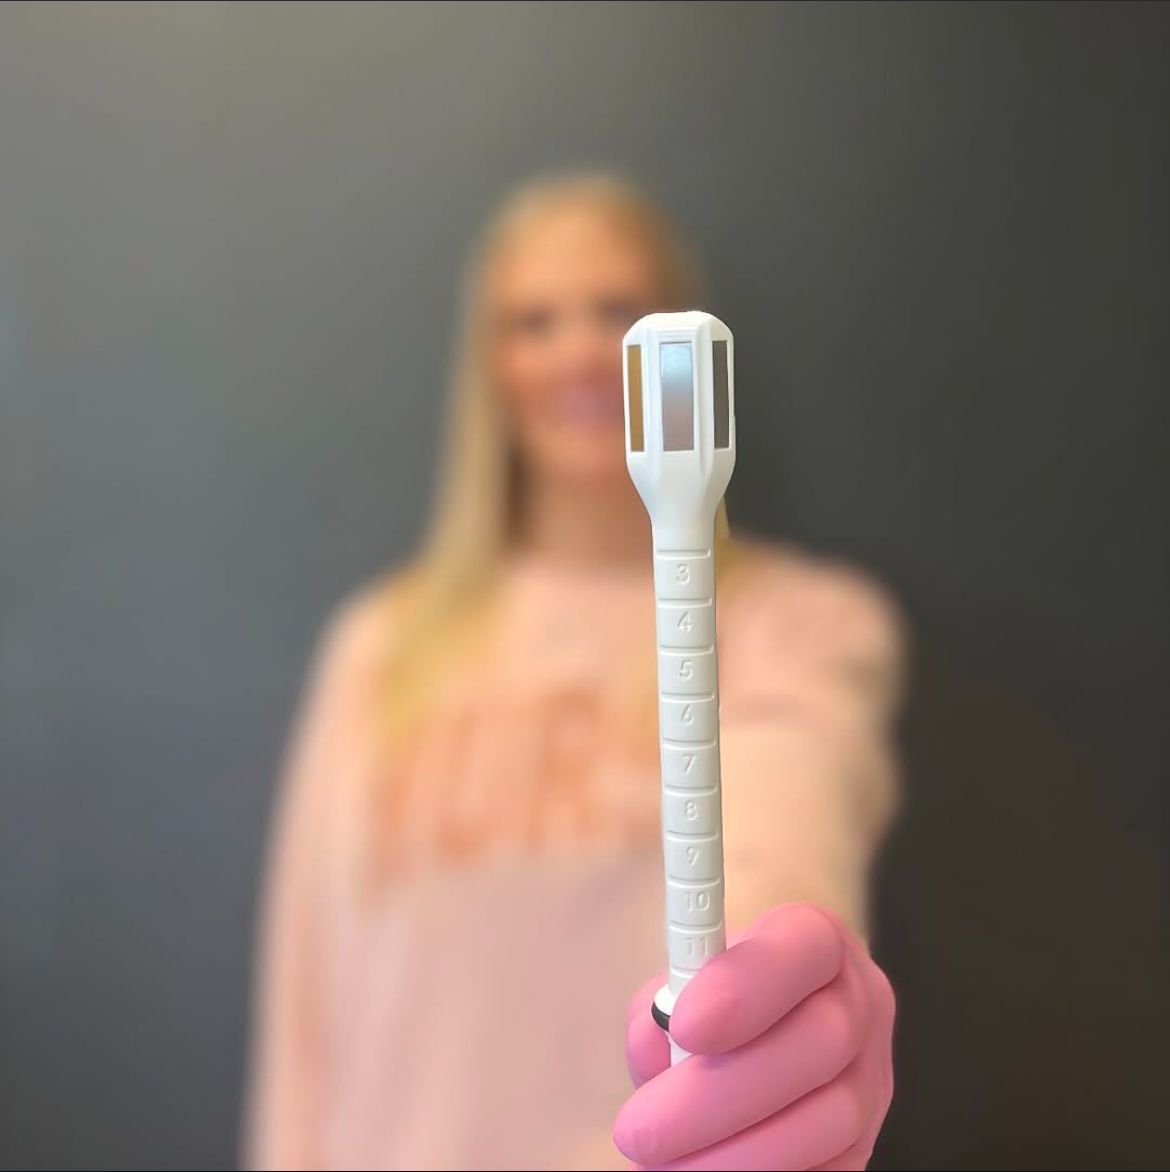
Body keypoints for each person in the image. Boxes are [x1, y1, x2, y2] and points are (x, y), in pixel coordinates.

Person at [245, 172, 903, 1171]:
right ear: (489, 366)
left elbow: (787, 831)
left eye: (617, 312)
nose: (582, 350)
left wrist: (783, 1000)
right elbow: (305, 1005)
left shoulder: (800, 625)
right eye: (534, 321)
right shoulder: (377, 645)